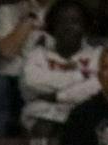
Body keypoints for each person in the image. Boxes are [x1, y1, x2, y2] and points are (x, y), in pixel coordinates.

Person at [19, 0, 101, 134]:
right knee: (45, 128)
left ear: (85, 27)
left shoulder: (97, 55)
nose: (67, 27)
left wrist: (57, 96)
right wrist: (81, 76)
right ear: (52, 26)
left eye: (75, 21)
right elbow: (31, 82)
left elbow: (96, 87)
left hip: (84, 117)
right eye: (61, 21)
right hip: (42, 117)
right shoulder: (37, 54)